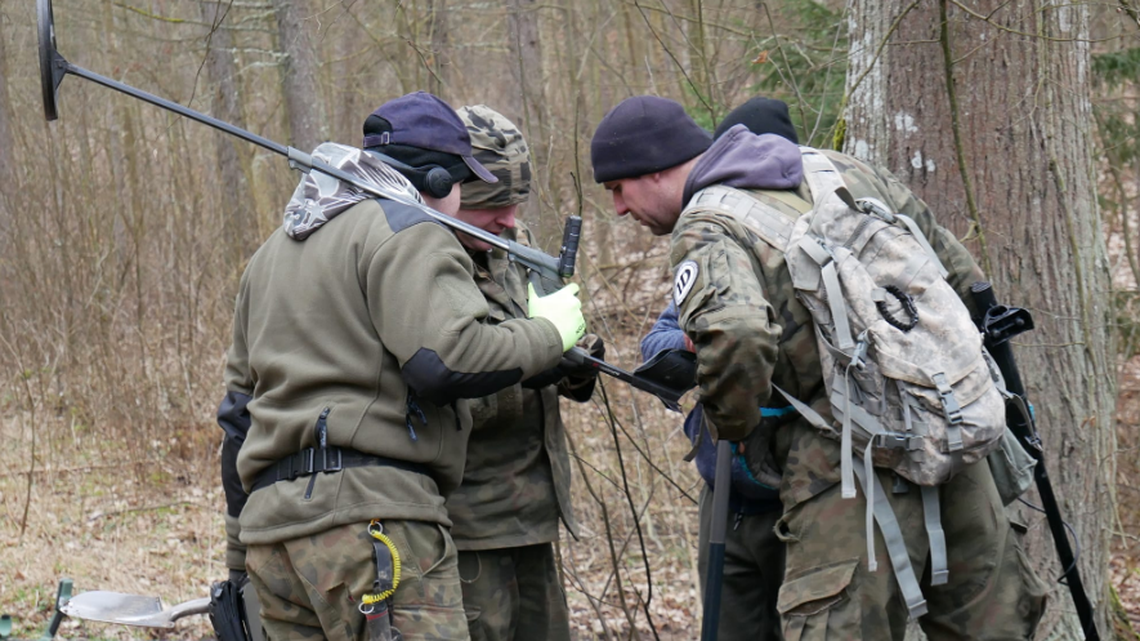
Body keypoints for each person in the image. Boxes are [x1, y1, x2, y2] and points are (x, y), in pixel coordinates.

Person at [592, 95, 1047, 639]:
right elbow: (959, 274)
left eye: (618, 188)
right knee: (993, 625)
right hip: (950, 430)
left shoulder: (706, 225)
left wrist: (741, 433)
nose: (619, 209)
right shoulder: (838, 169)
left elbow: (737, 336)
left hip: (845, 464)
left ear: (655, 168)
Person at [217, 91, 587, 641]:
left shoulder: (269, 256)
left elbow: (236, 417)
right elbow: (448, 359)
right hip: (373, 528)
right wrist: (552, 333)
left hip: (273, 540)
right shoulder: (410, 226)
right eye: (464, 184)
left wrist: (237, 558)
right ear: (438, 180)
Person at [637, 97, 803, 641]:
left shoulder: (809, 252)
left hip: (805, 493)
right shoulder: (711, 249)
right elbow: (657, 343)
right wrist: (702, 339)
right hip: (726, 492)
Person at [445, 104, 599, 641]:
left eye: (516, 204)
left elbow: (555, 323)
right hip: (466, 523)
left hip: (534, 511)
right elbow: (438, 381)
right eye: (492, 207)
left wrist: (576, 360)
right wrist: (527, 366)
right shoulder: (422, 262)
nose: (509, 220)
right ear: (451, 197)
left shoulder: (515, 242)